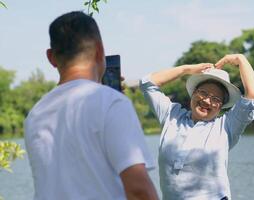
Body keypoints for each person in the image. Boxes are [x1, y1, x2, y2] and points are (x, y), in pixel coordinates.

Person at [24, 11, 158, 200]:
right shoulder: (112, 102)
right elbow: (139, 191)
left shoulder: (35, 115)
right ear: (100, 50)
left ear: (51, 57)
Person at [140, 54, 254, 200]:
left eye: (216, 99)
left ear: (221, 106)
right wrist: (187, 69)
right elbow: (147, 83)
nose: (207, 101)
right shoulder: (172, 115)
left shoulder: (226, 127)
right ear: (193, 94)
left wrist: (241, 59)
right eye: (203, 93)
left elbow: (253, 94)